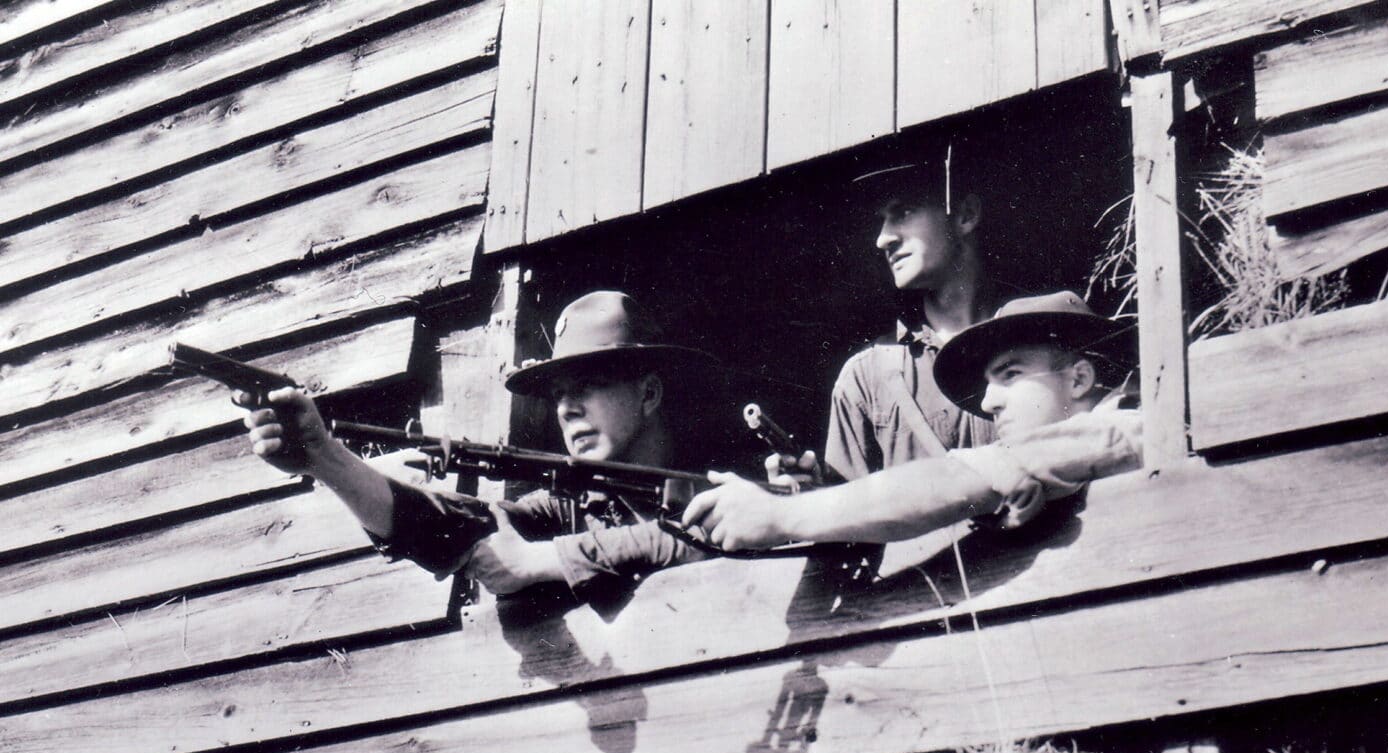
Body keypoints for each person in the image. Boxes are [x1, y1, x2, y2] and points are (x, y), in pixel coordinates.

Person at [240, 291, 716, 599]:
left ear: (649, 393)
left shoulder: (727, 479)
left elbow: (711, 536)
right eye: (557, 395)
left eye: (587, 385)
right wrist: (323, 458)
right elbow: (450, 521)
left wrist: (546, 560)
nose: (567, 409)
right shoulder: (571, 507)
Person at [683, 292, 1141, 549]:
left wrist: (781, 515)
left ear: (1081, 379)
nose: (988, 402)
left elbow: (954, 480)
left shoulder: (1114, 429)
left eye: (1011, 375)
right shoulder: (1079, 458)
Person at [778, 145, 1000, 489]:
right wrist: (810, 498)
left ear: (966, 215)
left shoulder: (1037, 336)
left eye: (904, 212)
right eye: (882, 219)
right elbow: (852, 533)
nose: (883, 239)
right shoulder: (866, 378)